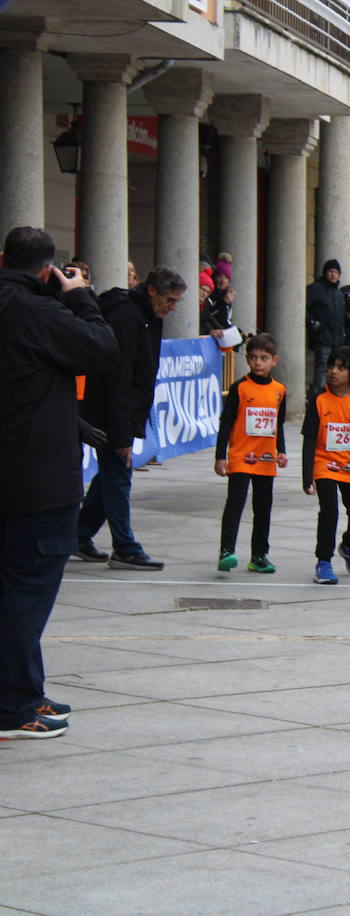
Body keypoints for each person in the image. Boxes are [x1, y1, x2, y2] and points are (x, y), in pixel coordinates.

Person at [0, 226, 118, 739]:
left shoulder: (20, 307)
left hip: (15, 470)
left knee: (14, 590)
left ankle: (26, 692)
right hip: (37, 477)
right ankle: (11, 708)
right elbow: (102, 348)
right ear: (47, 270)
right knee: (27, 592)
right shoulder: (37, 312)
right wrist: (82, 297)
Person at [77, 266, 187, 571]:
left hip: (123, 409)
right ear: (152, 290)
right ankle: (124, 547)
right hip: (109, 411)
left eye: (177, 301)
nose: (172, 306)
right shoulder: (127, 316)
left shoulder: (152, 315)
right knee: (118, 472)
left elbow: (142, 370)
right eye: (169, 299)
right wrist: (123, 434)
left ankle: (79, 533)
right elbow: (118, 379)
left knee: (111, 476)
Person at [214, 332, 287, 574]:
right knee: (235, 503)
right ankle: (227, 550)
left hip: (266, 459)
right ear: (247, 359)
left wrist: (281, 451)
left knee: (263, 508)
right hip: (241, 457)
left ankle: (259, 555)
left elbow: (279, 424)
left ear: (274, 360)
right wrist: (220, 456)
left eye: (264, 358)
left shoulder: (279, 390)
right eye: (254, 357)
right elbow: (226, 422)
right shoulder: (239, 388)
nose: (258, 362)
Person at [302, 348, 350, 585]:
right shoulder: (319, 400)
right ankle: (323, 562)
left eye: (341, 367)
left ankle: (349, 546)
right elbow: (310, 438)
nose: (333, 371)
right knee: (330, 511)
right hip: (324, 465)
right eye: (332, 365)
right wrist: (307, 475)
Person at [306, 259, 346, 395]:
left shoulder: (339, 294)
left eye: (336, 272)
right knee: (322, 369)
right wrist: (314, 323)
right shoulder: (315, 289)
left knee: (334, 370)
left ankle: (330, 396)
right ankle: (317, 397)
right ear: (325, 273)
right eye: (330, 271)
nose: (333, 275)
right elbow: (304, 308)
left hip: (337, 339)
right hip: (322, 337)